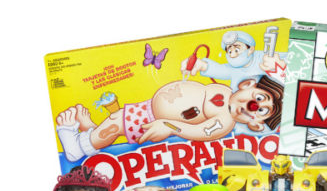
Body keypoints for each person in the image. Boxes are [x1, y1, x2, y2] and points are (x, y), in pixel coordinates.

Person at [55, 76, 283, 162]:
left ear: (255, 125)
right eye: (259, 98)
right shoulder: (226, 91)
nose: (254, 106)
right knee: (115, 122)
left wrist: (167, 125)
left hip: (152, 120)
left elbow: (198, 133)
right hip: (148, 108)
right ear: (247, 84)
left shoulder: (224, 122)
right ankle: (93, 134)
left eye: (261, 111)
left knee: (116, 122)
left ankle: (78, 148)